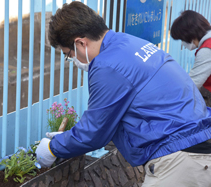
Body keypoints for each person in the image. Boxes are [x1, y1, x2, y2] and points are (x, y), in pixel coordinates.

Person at [36, 2, 211, 186]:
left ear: (80, 43)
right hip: (197, 142)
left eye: (68, 54)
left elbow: (94, 133)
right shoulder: (127, 42)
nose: (72, 60)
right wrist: (68, 138)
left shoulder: (106, 65)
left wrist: (52, 148)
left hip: (180, 158)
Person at [171, 10, 211, 106]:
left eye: (182, 39)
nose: (183, 43)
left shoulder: (207, 49)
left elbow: (192, 84)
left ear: (190, 34)